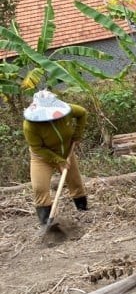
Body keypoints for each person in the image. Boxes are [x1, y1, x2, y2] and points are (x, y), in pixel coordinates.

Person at [22, 90, 89, 225]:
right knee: (39, 188)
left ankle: (83, 212)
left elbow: (82, 113)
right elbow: (37, 148)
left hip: (65, 152)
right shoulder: (30, 125)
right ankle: (47, 222)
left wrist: (77, 135)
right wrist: (58, 161)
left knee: (75, 182)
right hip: (41, 157)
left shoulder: (67, 111)